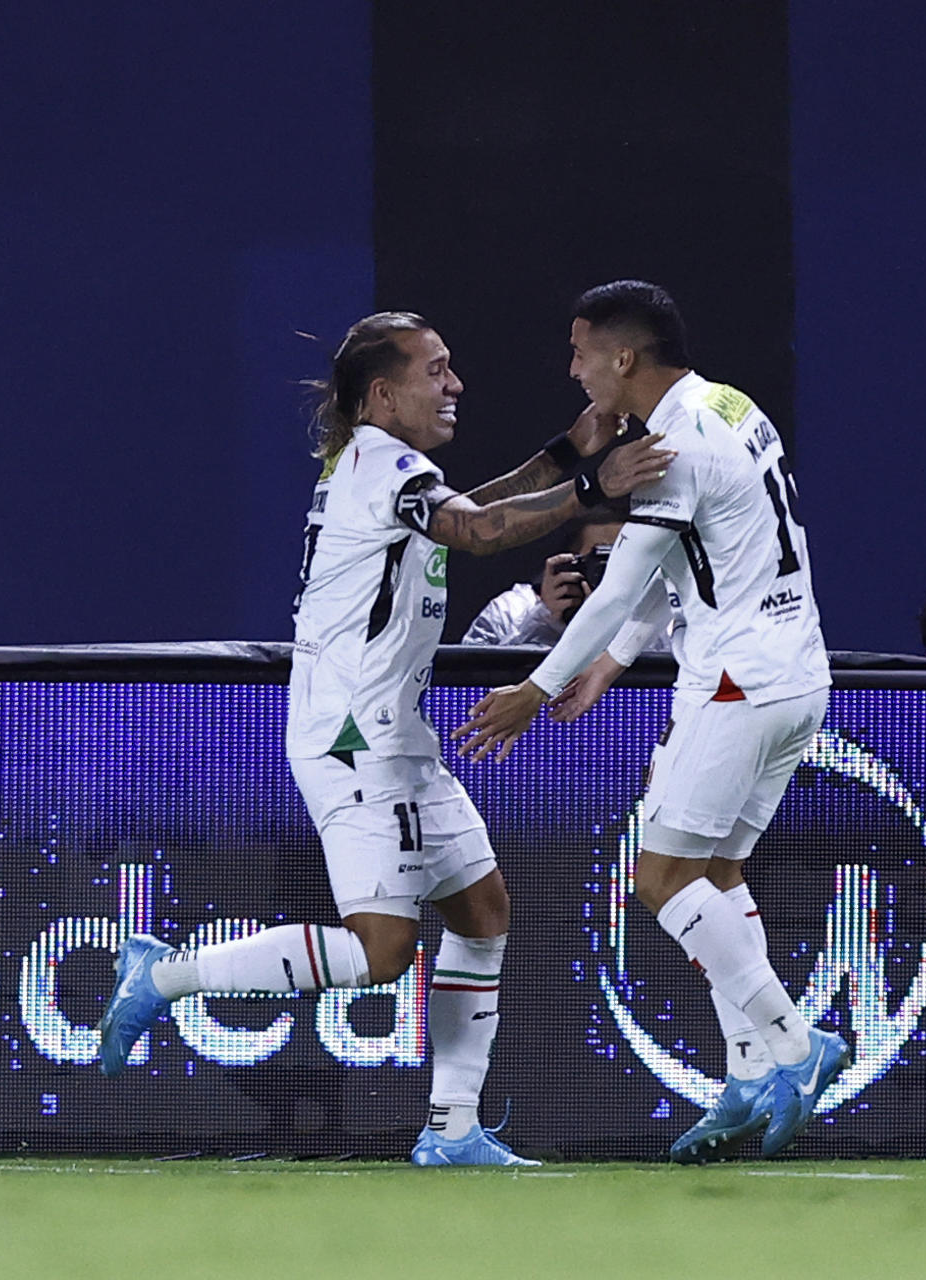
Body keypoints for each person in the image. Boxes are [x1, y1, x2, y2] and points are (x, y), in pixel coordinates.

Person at [97, 311, 674, 1167]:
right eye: (436, 370)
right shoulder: (381, 463)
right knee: (382, 953)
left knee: (482, 911)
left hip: (392, 733)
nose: (455, 384)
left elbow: (471, 510)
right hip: (349, 738)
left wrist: (567, 453)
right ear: (382, 392)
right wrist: (595, 486)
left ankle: (451, 1131)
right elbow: (478, 533)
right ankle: (165, 975)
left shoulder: (381, 467)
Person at [453, 280, 849, 1163]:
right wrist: (608, 668)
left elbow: (623, 585)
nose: (572, 368)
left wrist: (535, 687)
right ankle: (747, 1079)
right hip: (798, 676)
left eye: (580, 350)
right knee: (719, 875)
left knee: (663, 882)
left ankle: (795, 1046)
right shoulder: (732, 404)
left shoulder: (668, 444)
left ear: (622, 358)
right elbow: (675, 571)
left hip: (738, 685)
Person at [461, 513, 674, 651]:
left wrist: (625, 621)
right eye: (601, 558)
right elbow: (470, 683)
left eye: (623, 558)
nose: (611, 571)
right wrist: (546, 620)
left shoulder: (663, 613)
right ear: (568, 562)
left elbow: (670, 681)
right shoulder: (510, 610)